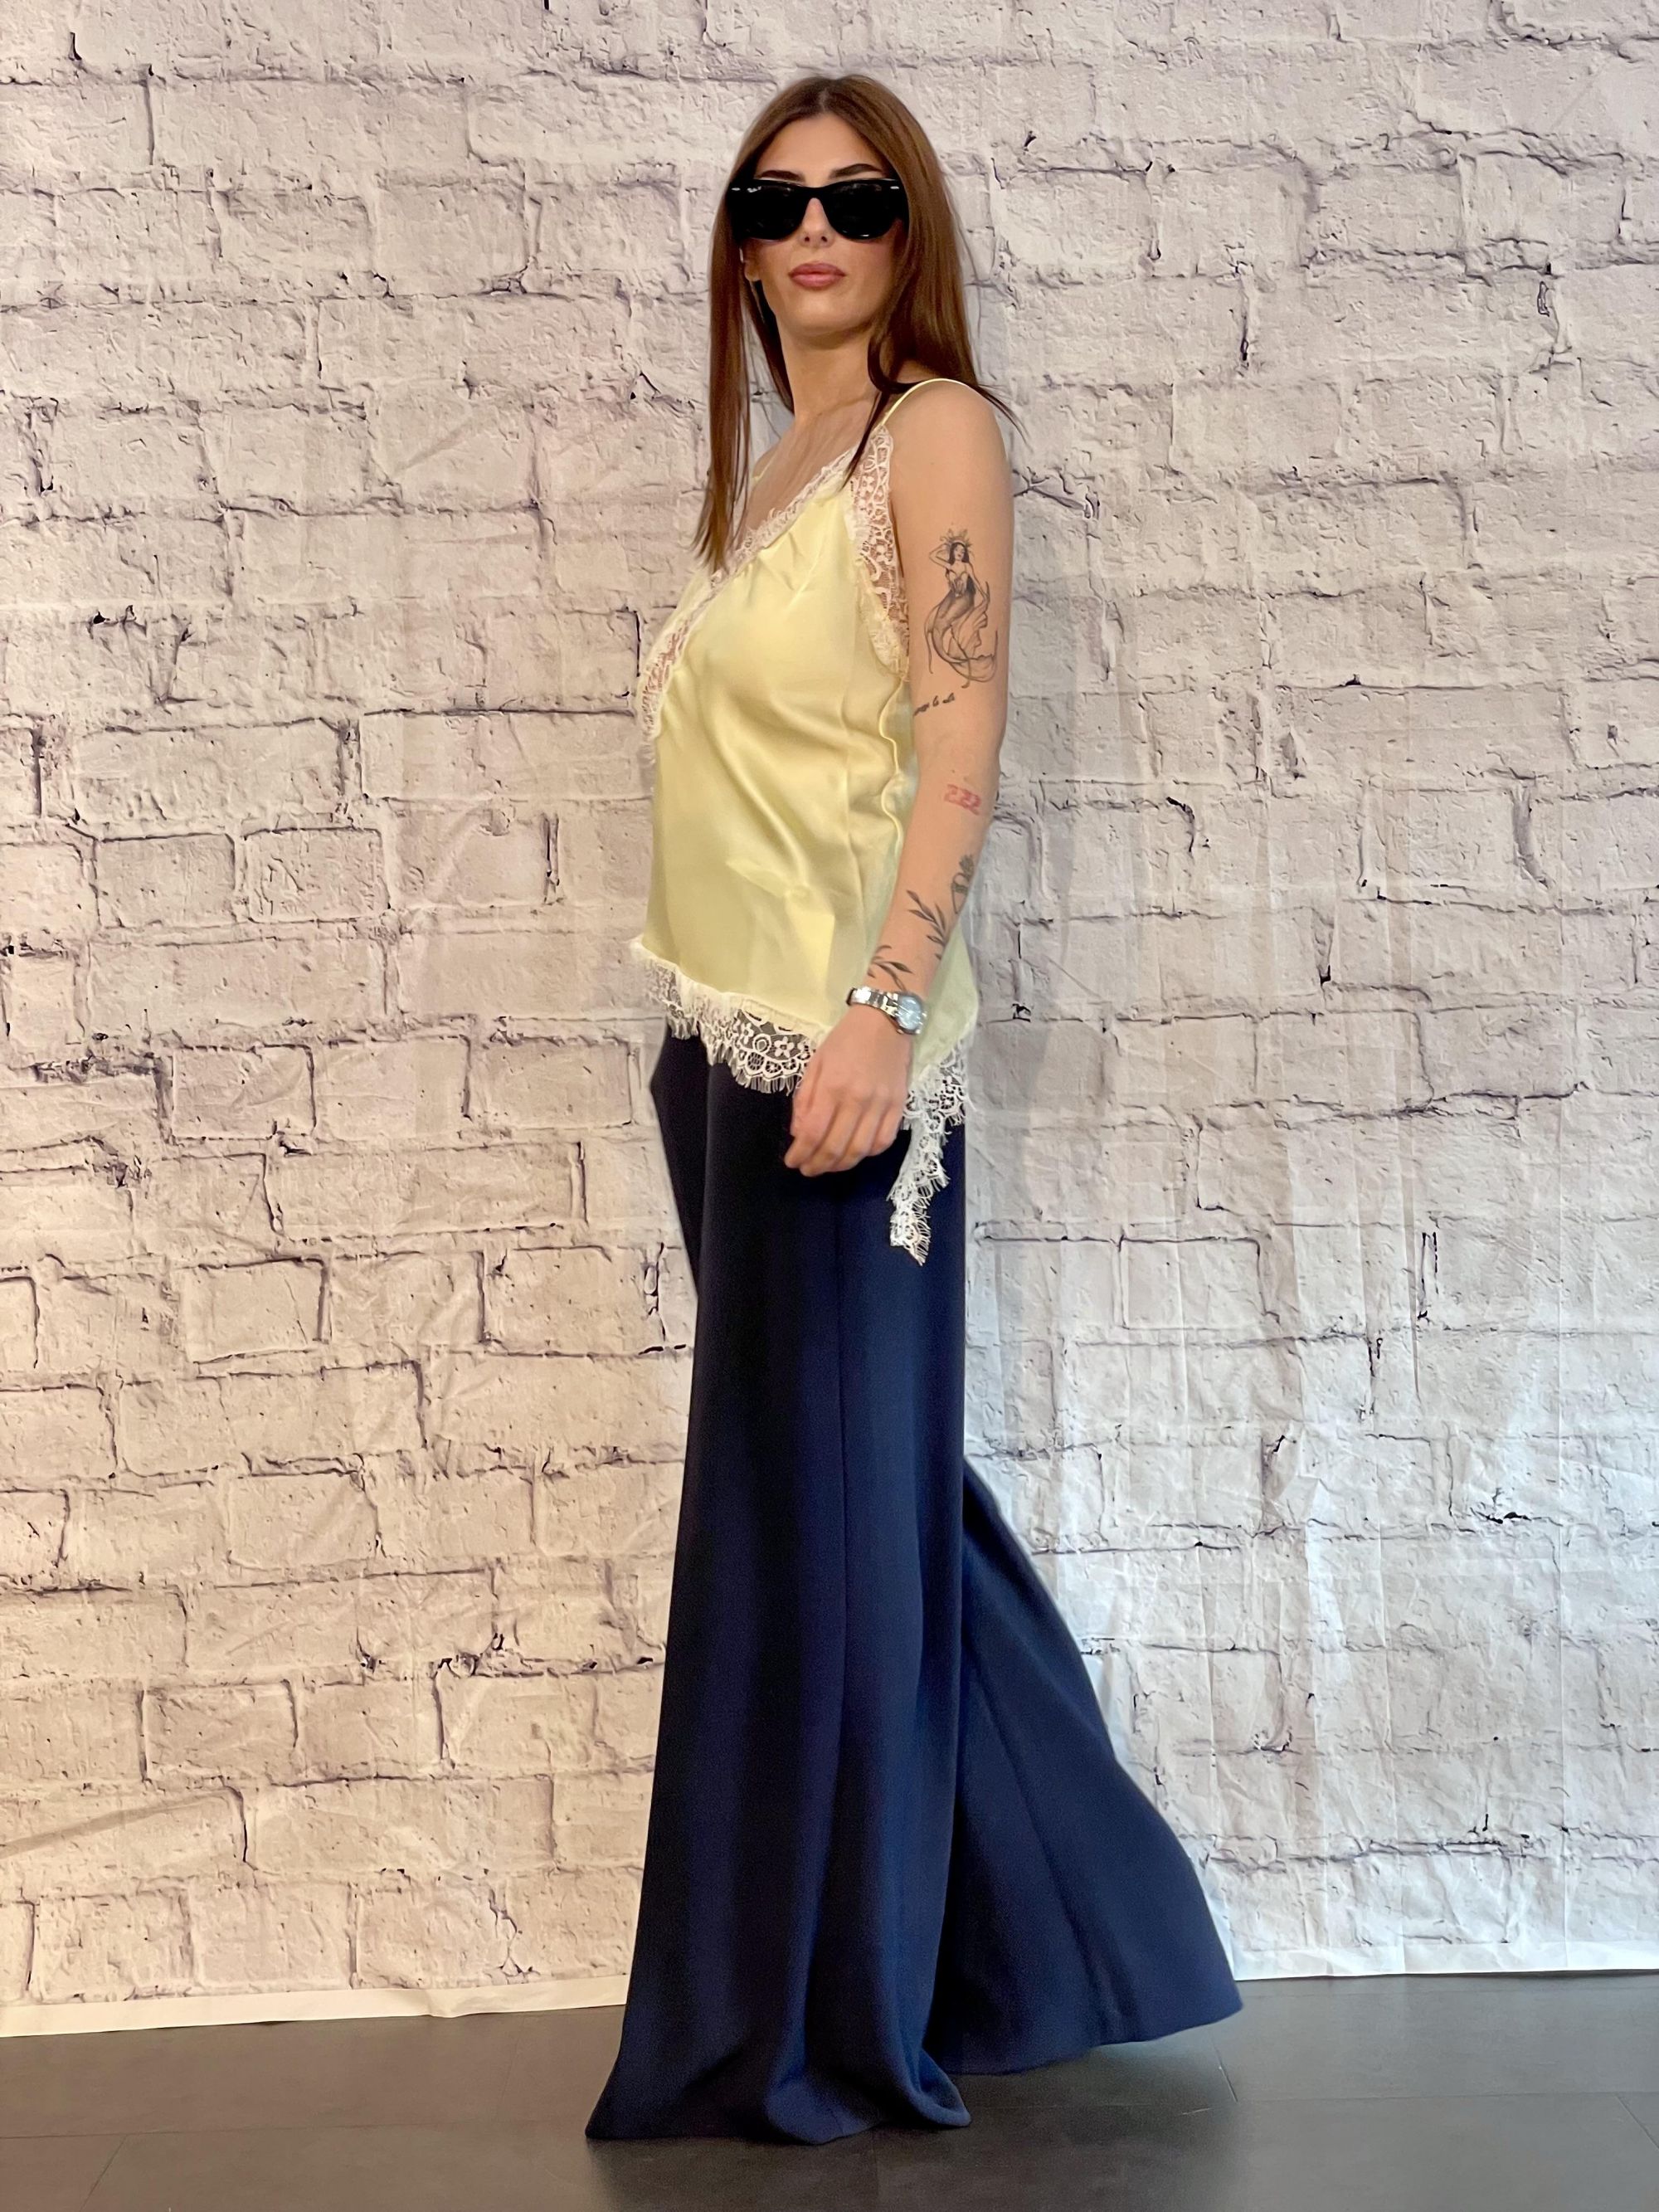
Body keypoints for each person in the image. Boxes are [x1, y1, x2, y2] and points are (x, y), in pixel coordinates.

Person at [584, 71, 1242, 2148]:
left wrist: (879, 1010)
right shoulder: (772, 472)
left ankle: (836, 2017)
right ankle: (1071, 1941)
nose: (812, 231)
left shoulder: (928, 430)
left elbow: (961, 734)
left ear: (906, 233)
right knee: (854, 1515)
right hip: (720, 1051)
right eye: (772, 201)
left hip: (840, 1059)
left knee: (839, 1528)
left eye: (855, 200)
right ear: (734, 241)